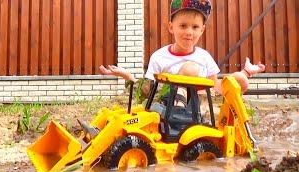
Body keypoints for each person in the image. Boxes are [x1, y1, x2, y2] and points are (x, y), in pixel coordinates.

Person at [100, 0, 265, 99]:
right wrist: (126, 76)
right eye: (183, 26)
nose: (189, 32)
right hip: (169, 108)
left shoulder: (204, 57)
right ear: (171, 27)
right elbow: (146, 91)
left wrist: (243, 75)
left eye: (195, 27)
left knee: (239, 79)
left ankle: (246, 72)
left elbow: (216, 87)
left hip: (199, 108)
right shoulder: (159, 57)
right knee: (190, 69)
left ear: (202, 30)